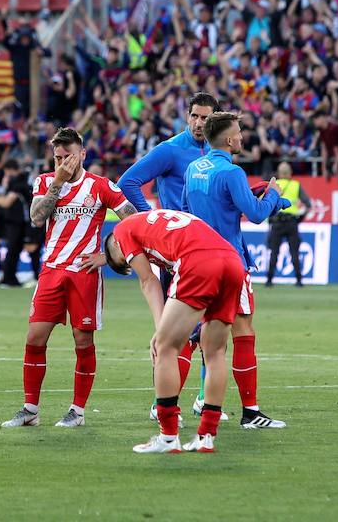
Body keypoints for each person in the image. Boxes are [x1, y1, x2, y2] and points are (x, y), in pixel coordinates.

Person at [0, 128, 137, 430]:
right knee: (34, 338)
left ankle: (77, 410)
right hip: (51, 271)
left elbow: (134, 220)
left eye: (68, 156)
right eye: (57, 157)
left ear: (82, 154)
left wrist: (108, 256)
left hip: (84, 274)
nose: (62, 162)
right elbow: (37, 217)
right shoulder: (46, 182)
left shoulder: (101, 186)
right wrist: (58, 183)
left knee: (83, 340)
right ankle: (30, 408)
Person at [104, 210, 243, 453]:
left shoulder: (121, 231)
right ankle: (206, 437)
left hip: (198, 261)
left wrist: (160, 330)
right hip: (232, 261)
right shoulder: (157, 220)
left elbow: (148, 281)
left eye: (125, 259)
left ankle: (168, 438)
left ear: (115, 244)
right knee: (215, 352)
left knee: (165, 347)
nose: (131, 262)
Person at [184, 111, 289, 429]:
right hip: (229, 264)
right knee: (244, 333)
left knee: (205, 339)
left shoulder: (193, 169)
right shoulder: (231, 172)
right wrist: (273, 195)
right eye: (239, 132)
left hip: (198, 263)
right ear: (228, 139)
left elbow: (193, 210)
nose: (242, 137)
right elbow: (256, 215)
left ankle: (192, 404)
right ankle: (251, 412)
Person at [118, 91, 217, 423]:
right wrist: (152, 220)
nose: (200, 123)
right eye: (196, 116)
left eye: (206, 117)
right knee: (183, 331)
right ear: (187, 116)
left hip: (210, 247)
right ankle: (165, 401)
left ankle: (205, 399)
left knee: (213, 327)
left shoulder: (218, 152)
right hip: (177, 251)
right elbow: (127, 182)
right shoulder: (171, 150)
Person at [265, 161, 311, 287]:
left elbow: (266, 203)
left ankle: (269, 280)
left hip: (277, 222)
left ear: (279, 173)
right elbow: (308, 204)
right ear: (290, 173)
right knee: (294, 252)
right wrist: (300, 218)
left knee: (274, 252)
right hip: (292, 222)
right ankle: (299, 280)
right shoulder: (296, 185)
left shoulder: (275, 185)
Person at [0, 160, 26, 288]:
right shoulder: (22, 181)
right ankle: (9, 278)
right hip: (17, 222)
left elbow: (6, 203)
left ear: (10, 170)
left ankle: (8, 278)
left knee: (12, 250)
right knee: (14, 250)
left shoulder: (17, 183)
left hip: (15, 222)